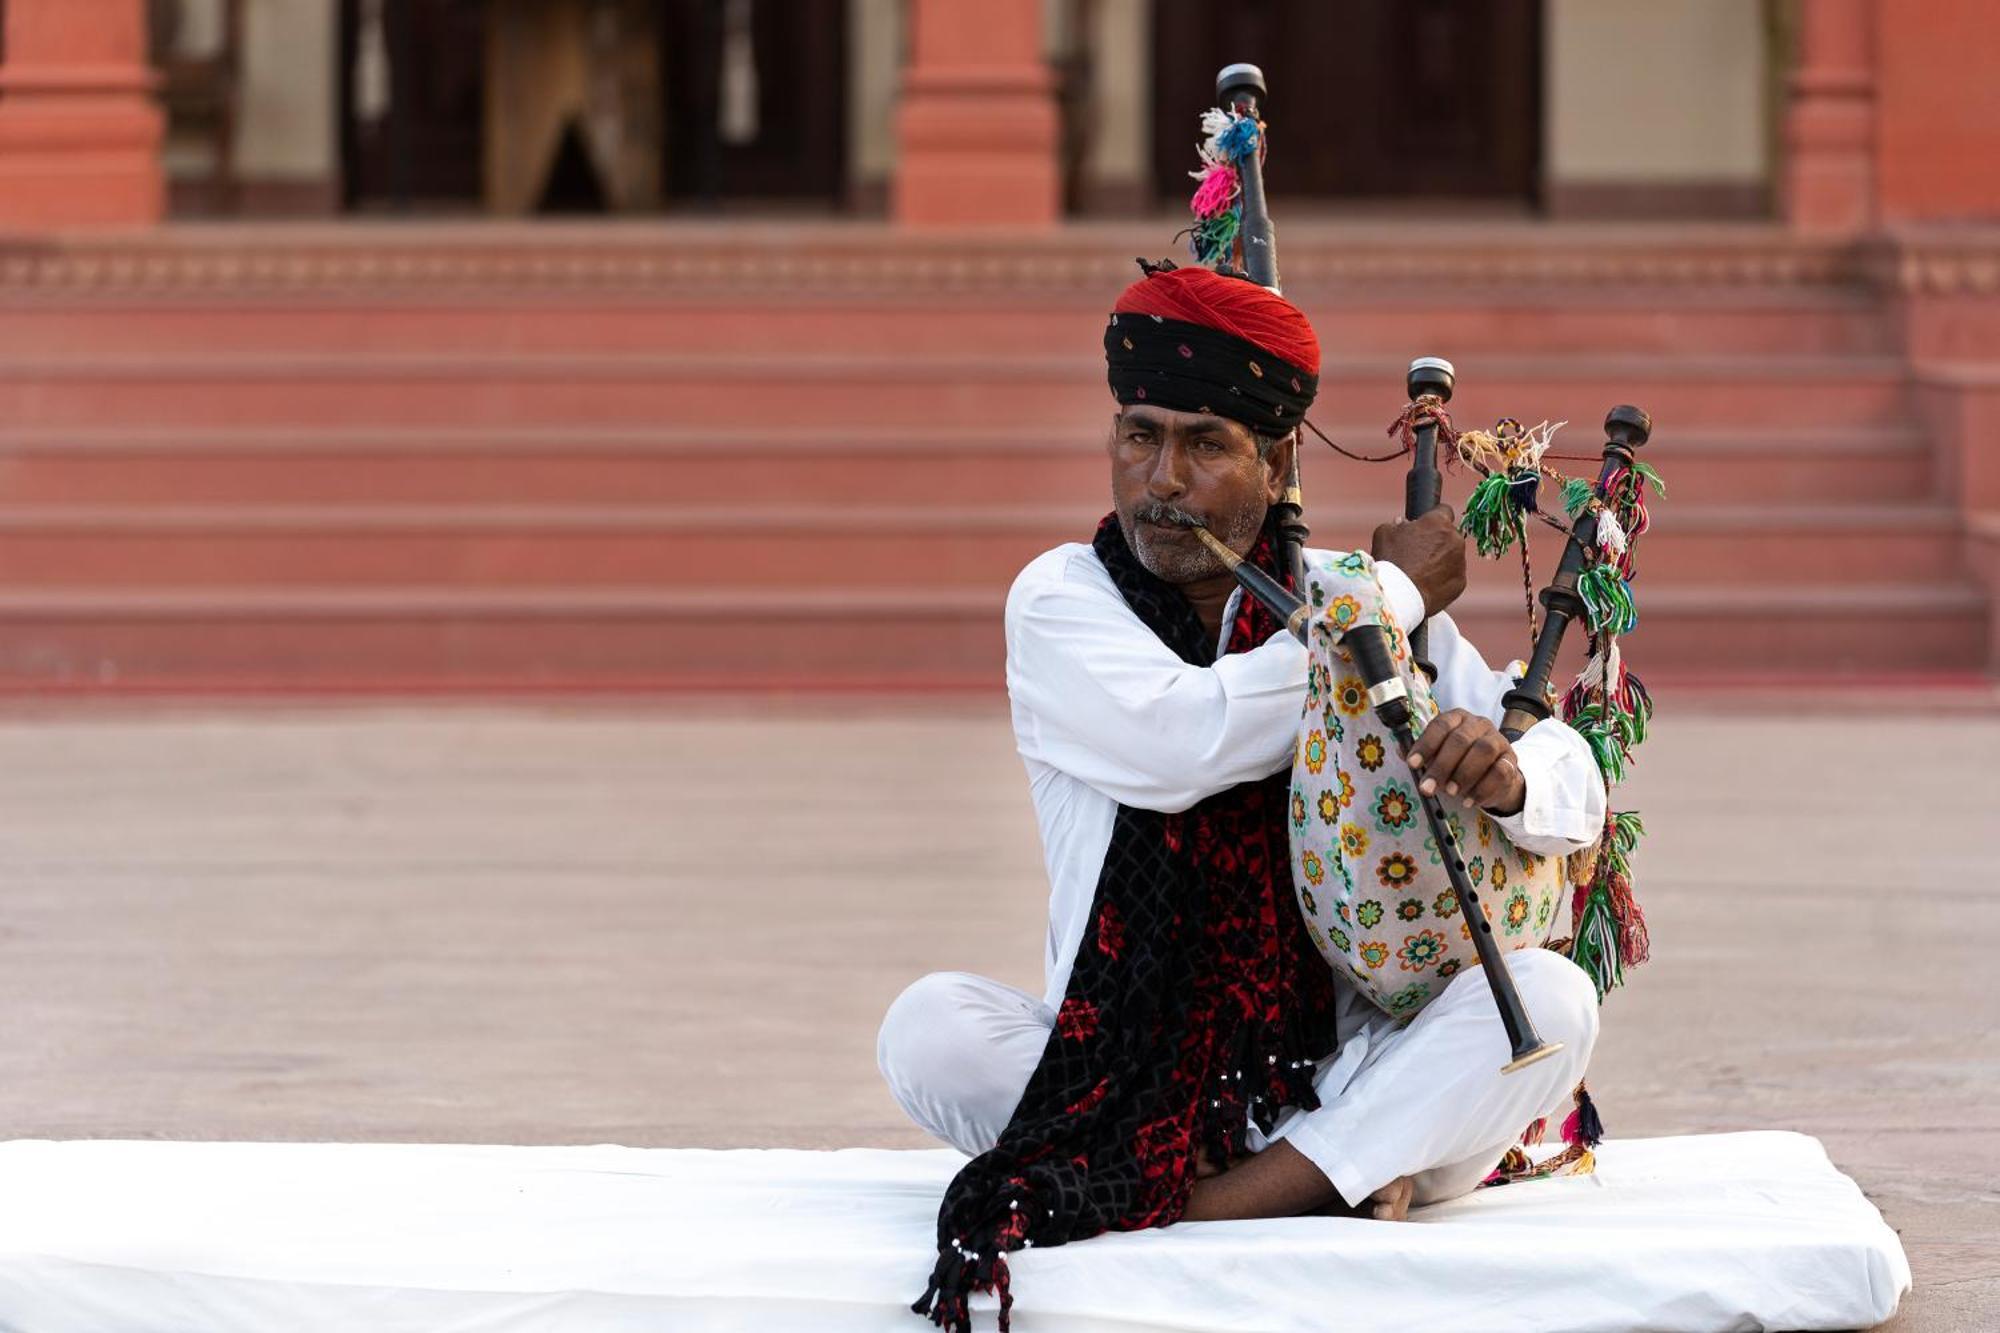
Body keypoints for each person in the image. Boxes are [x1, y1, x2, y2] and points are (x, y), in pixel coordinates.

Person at [887, 263, 1607, 1330]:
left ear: (1274, 461)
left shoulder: (1337, 591)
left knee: (1551, 1005)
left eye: (1203, 443)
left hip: (1347, 1066)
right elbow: (1187, 738)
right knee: (926, 1030)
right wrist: (1395, 592)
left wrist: (1504, 776)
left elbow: (1570, 773)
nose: (1160, 479)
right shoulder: (1060, 597)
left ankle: (1203, 1195)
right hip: (1124, 1060)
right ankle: (1323, 1182)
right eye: (1139, 436)